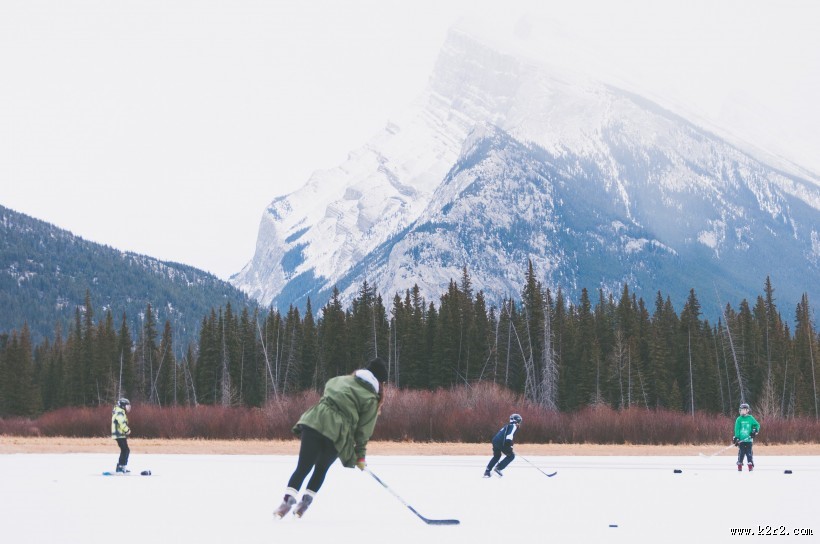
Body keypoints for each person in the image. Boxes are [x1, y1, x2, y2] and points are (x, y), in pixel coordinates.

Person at [274, 357, 388, 519]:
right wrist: (360, 456)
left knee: (303, 467)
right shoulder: (371, 399)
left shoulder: (340, 380)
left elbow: (328, 389)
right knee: (321, 469)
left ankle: (286, 501)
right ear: (380, 383)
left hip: (315, 421)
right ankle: (304, 504)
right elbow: (364, 431)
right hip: (338, 433)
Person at [484, 413, 522, 477]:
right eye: (519, 422)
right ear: (517, 421)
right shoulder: (513, 426)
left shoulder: (508, 426)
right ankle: (498, 468)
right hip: (501, 442)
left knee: (497, 456)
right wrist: (509, 446)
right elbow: (509, 436)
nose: (519, 423)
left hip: (495, 441)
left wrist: (510, 446)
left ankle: (487, 471)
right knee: (511, 456)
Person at [733, 402, 760, 471]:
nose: (741, 411)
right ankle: (740, 463)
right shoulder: (739, 419)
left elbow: (757, 425)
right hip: (741, 440)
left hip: (749, 440)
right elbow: (737, 429)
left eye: (743, 410)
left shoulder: (750, 418)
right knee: (741, 452)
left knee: (749, 452)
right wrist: (736, 438)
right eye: (741, 410)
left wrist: (754, 431)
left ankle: (750, 464)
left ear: (747, 410)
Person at [111, 398, 131, 473]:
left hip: (120, 435)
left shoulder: (120, 412)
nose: (128, 408)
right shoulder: (119, 413)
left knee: (125, 450)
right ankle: (121, 467)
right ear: (123, 406)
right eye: (127, 406)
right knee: (125, 450)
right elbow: (122, 423)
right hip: (119, 435)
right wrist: (127, 430)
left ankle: (121, 466)